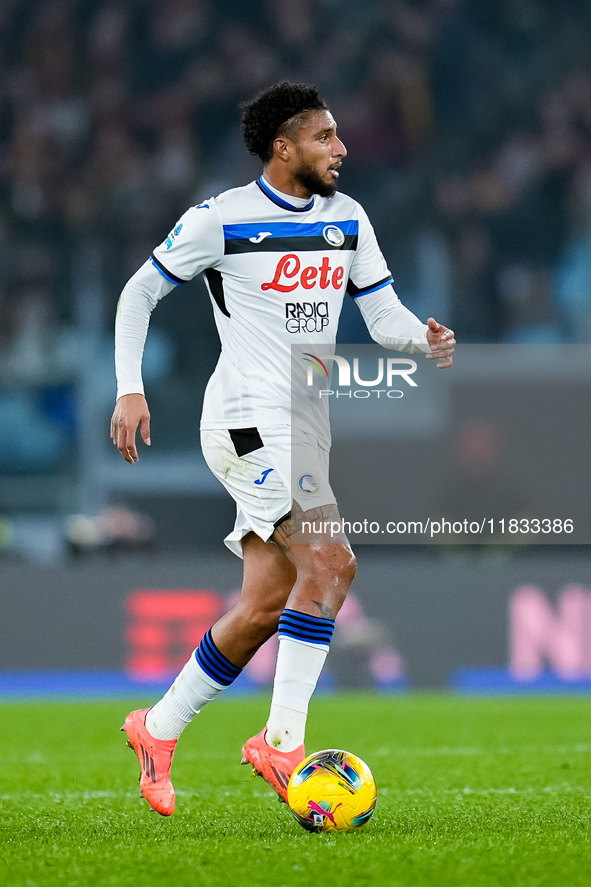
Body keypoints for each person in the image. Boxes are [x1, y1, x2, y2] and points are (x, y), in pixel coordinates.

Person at [111, 81, 455, 816]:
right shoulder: (221, 219)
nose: (342, 148)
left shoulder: (348, 218)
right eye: (326, 136)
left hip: (303, 424)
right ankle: (282, 741)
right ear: (283, 146)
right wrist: (129, 389)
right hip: (242, 418)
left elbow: (383, 313)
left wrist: (418, 338)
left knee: (267, 601)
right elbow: (138, 293)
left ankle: (158, 728)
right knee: (332, 559)